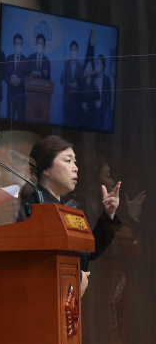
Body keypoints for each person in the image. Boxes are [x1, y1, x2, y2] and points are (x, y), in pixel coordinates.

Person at [27, 136, 122, 296]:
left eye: (75, 162)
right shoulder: (37, 208)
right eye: (68, 161)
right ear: (45, 169)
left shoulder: (64, 208)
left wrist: (109, 214)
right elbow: (39, 264)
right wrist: (76, 279)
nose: (75, 167)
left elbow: (88, 251)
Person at [3, 34, 28, 120]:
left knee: (22, 125)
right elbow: (5, 75)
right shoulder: (8, 58)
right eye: (17, 44)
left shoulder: (26, 60)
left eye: (20, 44)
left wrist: (20, 81)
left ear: (22, 46)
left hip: (21, 99)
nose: (18, 46)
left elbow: (28, 76)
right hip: (11, 98)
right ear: (14, 45)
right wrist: (10, 81)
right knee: (9, 124)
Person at [60, 41, 83, 128]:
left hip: (76, 103)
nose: (74, 51)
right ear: (70, 51)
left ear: (77, 51)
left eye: (75, 50)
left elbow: (82, 83)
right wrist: (68, 84)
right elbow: (61, 80)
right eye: (72, 49)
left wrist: (77, 84)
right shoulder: (65, 64)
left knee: (74, 130)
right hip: (66, 101)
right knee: (65, 127)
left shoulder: (81, 67)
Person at [77, 60, 100, 130]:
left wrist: (96, 87)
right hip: (81, 115)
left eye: (90, 67)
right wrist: (82, 104)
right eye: (87, 67)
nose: (88, 69)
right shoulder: (81, 81)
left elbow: (98, 98)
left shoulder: (94, 82)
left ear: (92, 70)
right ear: (85, 69)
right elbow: (76, 96)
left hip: (91, 115)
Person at [94, 55, 112, 131]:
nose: (96, 65)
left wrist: (107, 106)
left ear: (102, 67)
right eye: (96, 62)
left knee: (100, 130)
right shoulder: (93, 77)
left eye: (98, 63)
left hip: (102, 110)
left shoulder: (107, 80)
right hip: (93, 110)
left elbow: (109, 94)